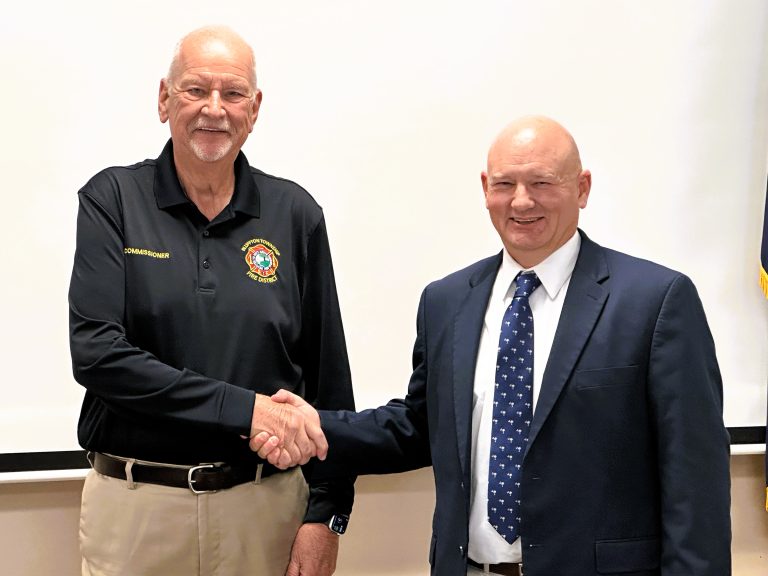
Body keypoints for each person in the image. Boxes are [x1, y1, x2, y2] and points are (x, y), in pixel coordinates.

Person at [256, 116, 732, 575]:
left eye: (542, 183)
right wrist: (312, 426)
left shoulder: (655, 301)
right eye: (505, 184)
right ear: (485, 188)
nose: (521, 202)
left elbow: (696, 483)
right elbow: (418, 429)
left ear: (582, 188)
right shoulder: (446, 302)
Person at [68, 26, 355, 576]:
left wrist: (327, 516)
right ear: (163, 99)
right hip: (138, 512)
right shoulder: (113, 200)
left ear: (255, 108)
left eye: (234, 93)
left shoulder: (295, 214)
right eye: (196, 90)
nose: (214, 110)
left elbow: (329, 385)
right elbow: (98, 355)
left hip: (265, 512)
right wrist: (248, 410)